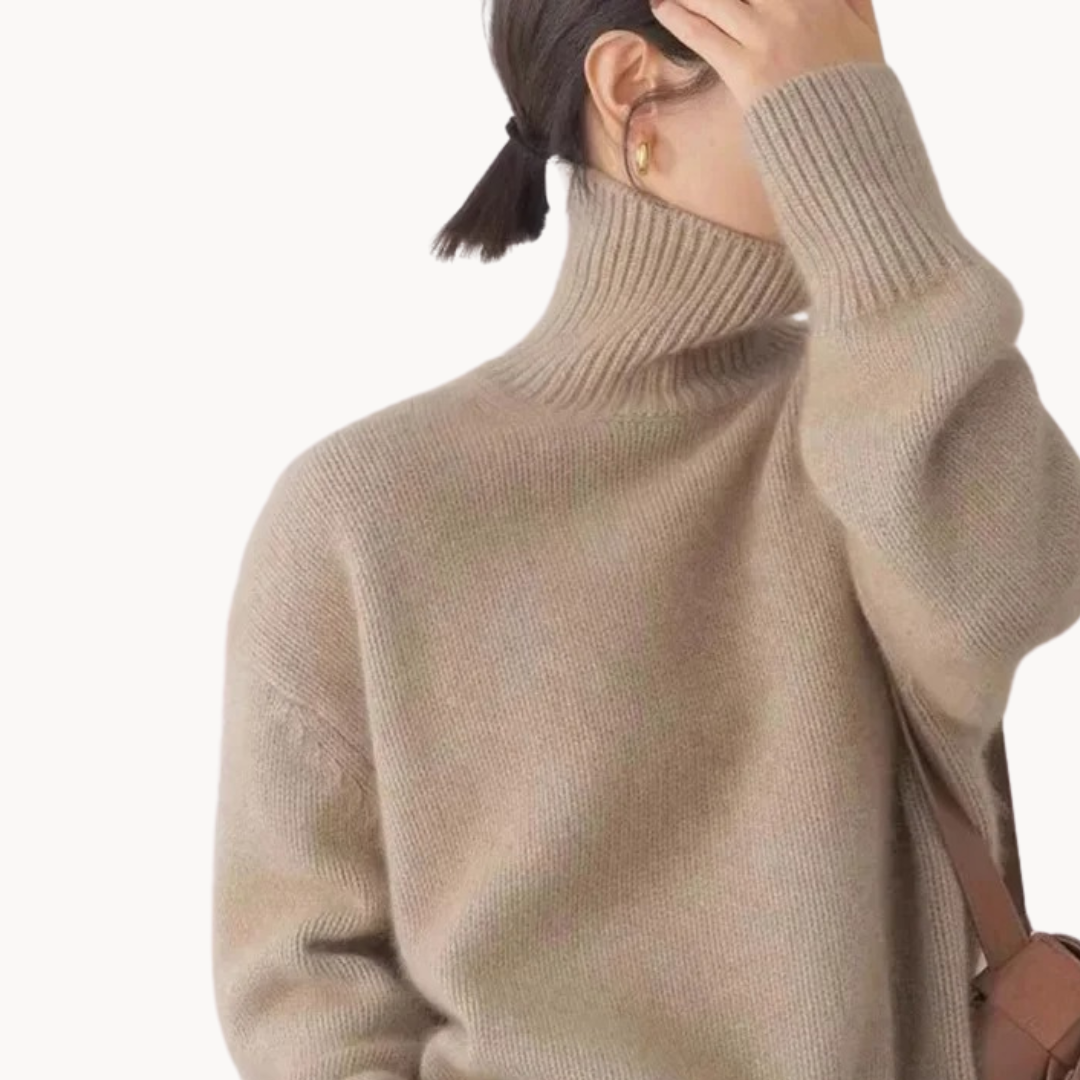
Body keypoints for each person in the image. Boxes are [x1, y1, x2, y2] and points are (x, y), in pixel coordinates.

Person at [210, 1, 1080, 1077]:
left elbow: (1011, 587)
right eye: (809, 65)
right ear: (630, 88)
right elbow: (302, 982)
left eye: (865, 79)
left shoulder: (874, 431)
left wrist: (872, 201)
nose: (859, 114)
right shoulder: (363, 511)